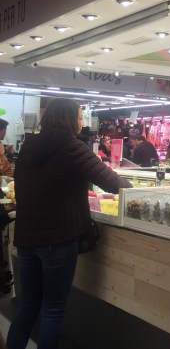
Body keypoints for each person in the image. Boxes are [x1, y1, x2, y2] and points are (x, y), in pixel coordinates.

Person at [7, 98, 132, 349]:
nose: (81, 122)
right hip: (57, 238)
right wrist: (134, 190)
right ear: (68, 118)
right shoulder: (72, 146)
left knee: (28, 306)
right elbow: (112, 183)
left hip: (26, 238)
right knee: (53, 310)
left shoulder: (28, 146)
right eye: (79, 116)